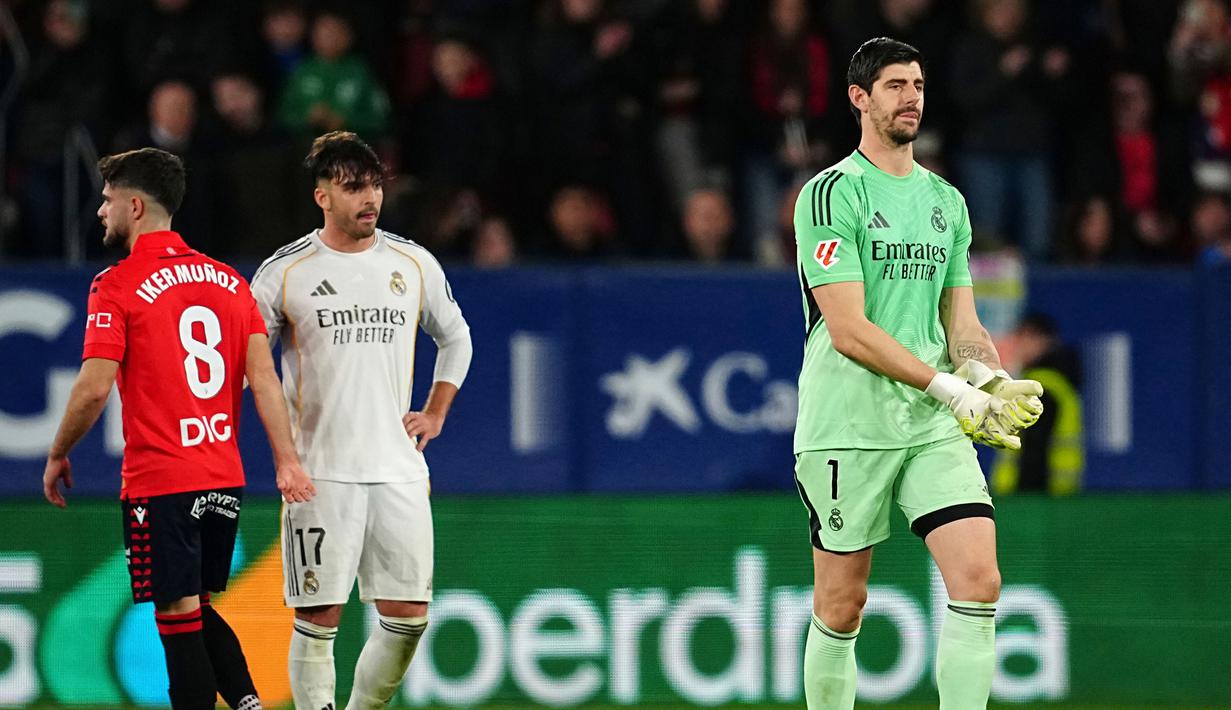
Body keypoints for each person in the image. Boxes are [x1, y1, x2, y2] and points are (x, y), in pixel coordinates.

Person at [791, 38, 1045, 709]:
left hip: (931, 426)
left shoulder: (946, 202)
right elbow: (848, 331)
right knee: (842, 603)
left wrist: (987, 379)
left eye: (919, 84)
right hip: (846, 422)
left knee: (978, 580)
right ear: (858, 98)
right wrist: (950, 386)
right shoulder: (827, 196)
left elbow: (960, 328)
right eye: (896, 85)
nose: (911, 97)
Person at [41, 148, 313, 710]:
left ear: (135, 206)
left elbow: (93, 388)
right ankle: (247, 702)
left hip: (162, 480)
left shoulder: (115, 285)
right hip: (222, 476)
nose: (100, 212)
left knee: (176, 615)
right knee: (196, 605)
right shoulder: (231, 283)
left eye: (108, 200)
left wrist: (58, 451)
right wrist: (286, 459)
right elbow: (264, 381)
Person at [250, 131, 472, 710]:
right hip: (320, 471)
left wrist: (437, 411)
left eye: (373, 185)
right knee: (319, 616)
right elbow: (249, 364)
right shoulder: (284, 272)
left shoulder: (412, 261)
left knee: (410, 618)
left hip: (399, 469)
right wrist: (284, 456)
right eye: (353, 188)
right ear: (322, 195)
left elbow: (456, 337)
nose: (368, 198)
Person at [992, 313, 1084, 496]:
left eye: (1023, 337)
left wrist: (1026, 499)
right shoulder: (1058, 385)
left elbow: (1033, 452)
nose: (1017, 345)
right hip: (1056, 498)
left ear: (1042, 341)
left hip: (1033, 501)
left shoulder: (1039, 387)